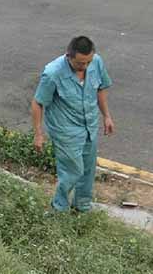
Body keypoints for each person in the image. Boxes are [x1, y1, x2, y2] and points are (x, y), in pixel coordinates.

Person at [31, 36, 115, 212]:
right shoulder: (53, 73)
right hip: (65, 131)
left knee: (88, 170)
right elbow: (38, 102)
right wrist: (38, 134)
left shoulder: (96, 62)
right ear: (69, 56)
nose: (84, 67)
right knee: (73, 171)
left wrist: (106, 116)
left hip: (89, 127)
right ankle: (59, 209)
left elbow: (100, 88)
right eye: (80, 63)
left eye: (88, 62)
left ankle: (82, 206)